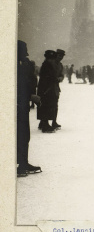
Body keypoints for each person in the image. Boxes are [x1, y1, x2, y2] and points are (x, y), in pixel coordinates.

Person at [17, 40, 42, 177]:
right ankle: (18, 164)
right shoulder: (14, 65)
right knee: (17, 134)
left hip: (22, 105)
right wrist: (30, 95)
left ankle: (23, 162)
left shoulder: (24, 64)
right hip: (16, 105)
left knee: (24, 134)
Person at [37, 50, 59, 133]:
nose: (52, 60)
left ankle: (44, 123)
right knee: (46, 106)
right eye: (51, 58)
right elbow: (48, 78)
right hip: (46, 89)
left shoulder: (47, 64)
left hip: (47, 88)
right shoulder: (47, 65)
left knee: (46, 106)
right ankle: (45, 125)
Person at [53, 49, 65, 130]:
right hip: (48, 87)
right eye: (59, 56)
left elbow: (61, 74)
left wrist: (60, 78)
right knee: (47, 105)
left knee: (55, 104)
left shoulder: (60, 65)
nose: (60, 58)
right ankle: (43, 122)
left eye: (62, 56)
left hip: (55, 87)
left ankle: (54, 121)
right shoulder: (51, 63)